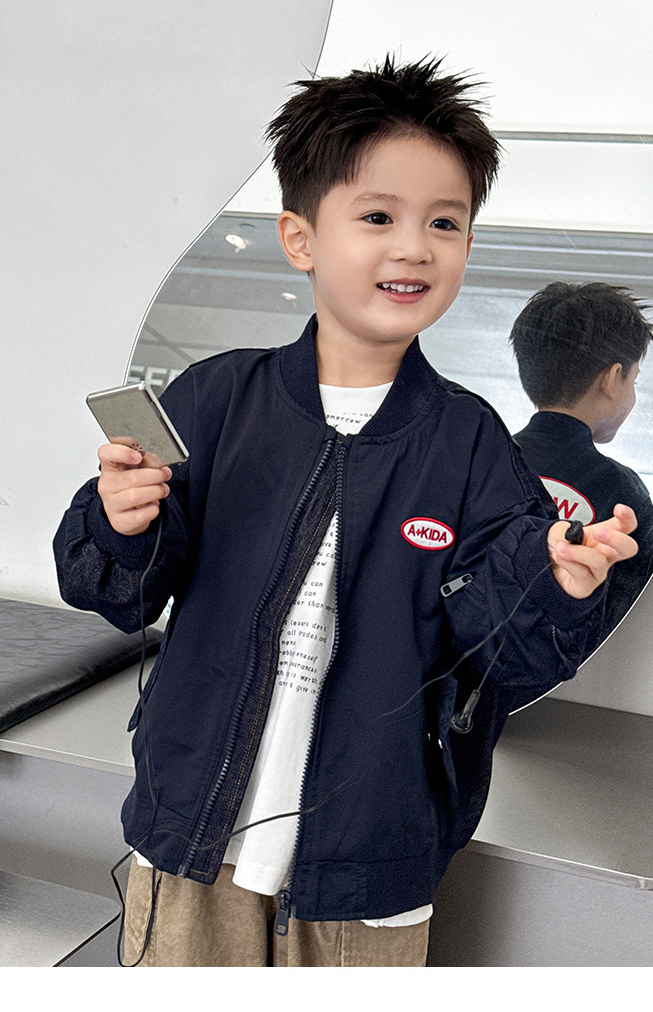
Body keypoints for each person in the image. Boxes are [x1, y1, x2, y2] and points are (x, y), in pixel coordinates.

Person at [53, 57, 638, 968]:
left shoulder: (472, 443)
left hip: (374, 854)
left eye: (444, 222)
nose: (415, 247)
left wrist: (559, 581)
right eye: (377, 217)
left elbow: (504, 654)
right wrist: (119, 522)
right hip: (190, 826)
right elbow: (113, 593)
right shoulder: (215, 400)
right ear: (300, 238)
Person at [511, 281, 653, 637]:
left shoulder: (478, 461)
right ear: (612, 379)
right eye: (634, 380)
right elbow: (625, 625)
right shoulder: (624, 493)